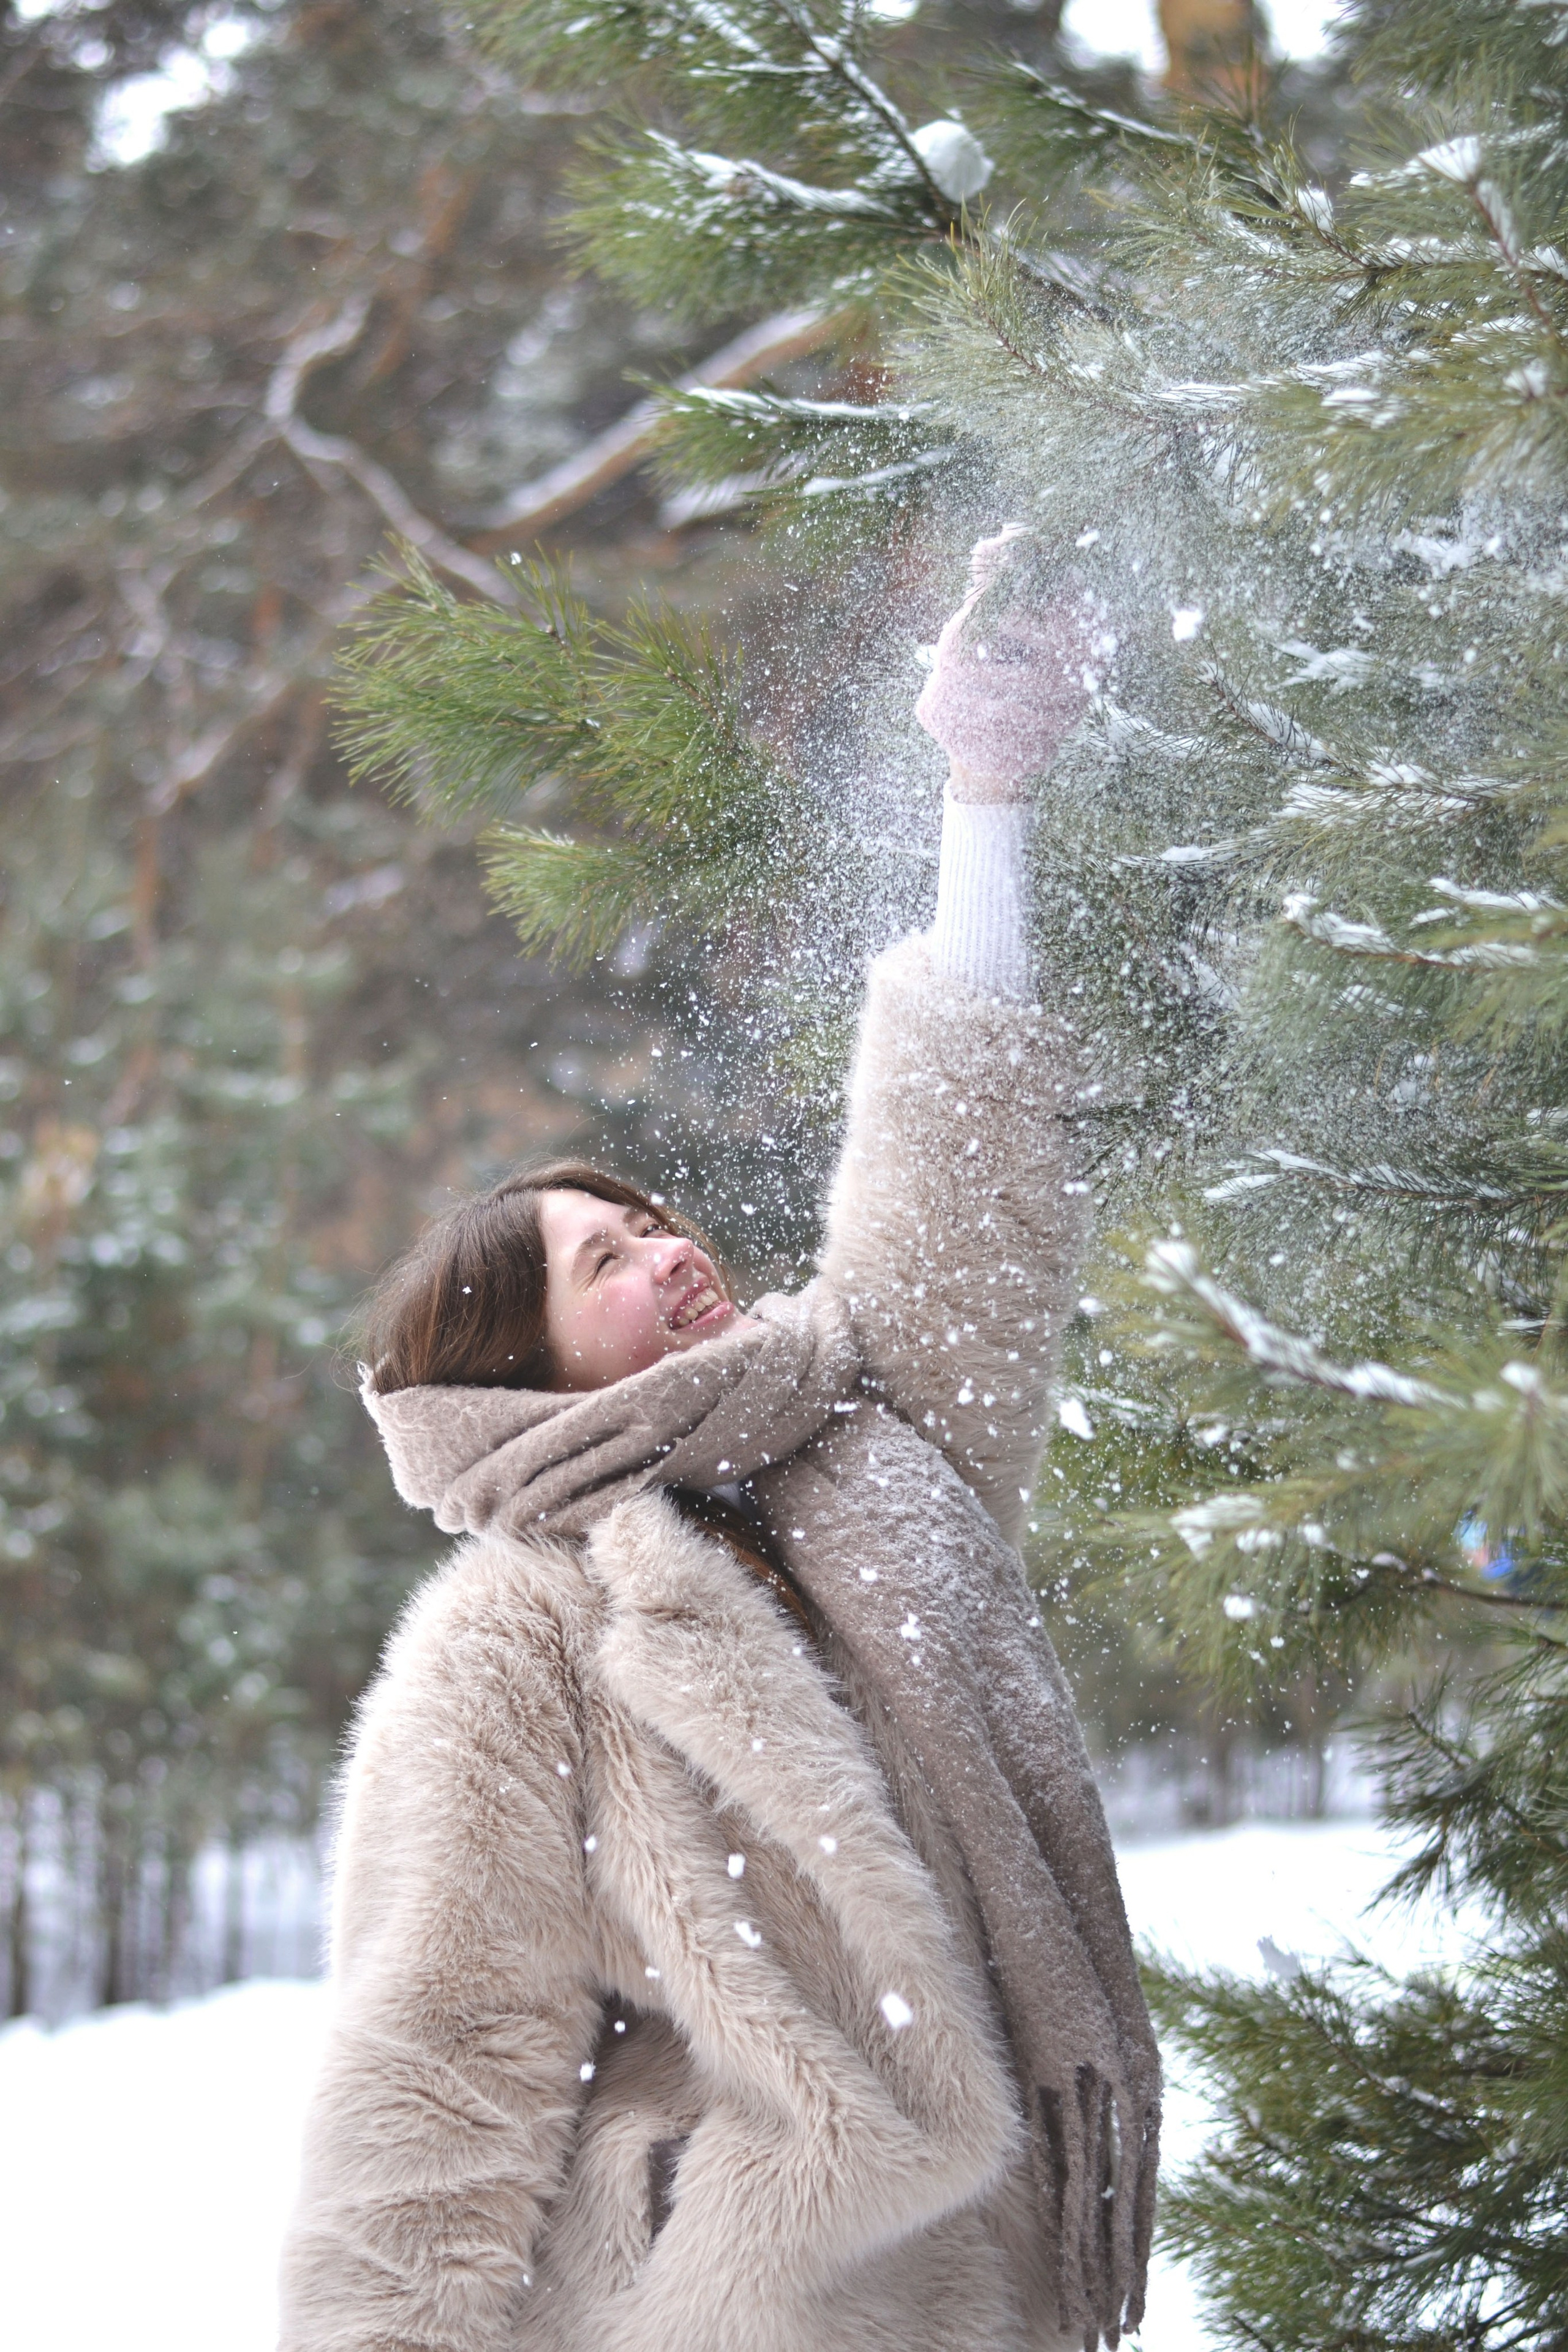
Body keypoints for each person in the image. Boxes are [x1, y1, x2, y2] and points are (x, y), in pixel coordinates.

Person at [276, 532, 1158, 2352]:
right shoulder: (516, 1641)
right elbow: (441, 2064)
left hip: (980, 2293)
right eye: (602, 1266)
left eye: (651, 1221)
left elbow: (960, 1194)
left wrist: (985, 790)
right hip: (727, 2303)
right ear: (525, 1378)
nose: (670, 1253)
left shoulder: (858, 1456)